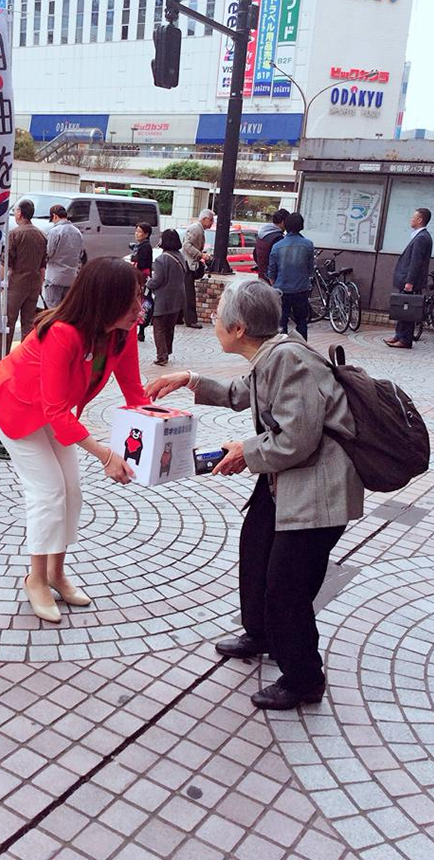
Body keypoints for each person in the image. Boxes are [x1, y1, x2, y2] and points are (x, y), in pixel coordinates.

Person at [145, 281, 364, 711]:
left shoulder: (289, 360)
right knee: (256, 547)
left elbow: (297, 439)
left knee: (287, 585)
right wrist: (188, 378)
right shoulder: (270, 355)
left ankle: (303, 678)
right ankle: (261, 633)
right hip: (287, 481)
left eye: (218, 314)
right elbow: (237, 395)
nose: (213, 319)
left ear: (239, 327)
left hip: (318, 491)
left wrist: (247, 451)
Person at [0, 258, 150, 623]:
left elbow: (135, 393)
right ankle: (36, 579)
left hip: (52, 409)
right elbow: (57, 411)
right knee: (49, 491)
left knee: (71, 489)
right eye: (132, 299)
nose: (140, 308)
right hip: (16, 405)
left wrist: (167, 432)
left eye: (140, 297)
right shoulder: (63, 332)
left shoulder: (122, 333)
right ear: (106, 300)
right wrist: (105, 455)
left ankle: (57, 573)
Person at [0, 199, 48, 367]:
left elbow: (6, 262)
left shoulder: (15, 234)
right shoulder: (41, 235)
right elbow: (43, 265)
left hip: (17, 282)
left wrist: (0, 284)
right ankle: (27, 356)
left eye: (16, 211)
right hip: (34, 283)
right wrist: (40, 284)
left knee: (7, 321)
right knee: (28, 322)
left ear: (19, 213)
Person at [385, 208, 433, 349]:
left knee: (407, 310)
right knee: (402, 308)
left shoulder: (422, 238)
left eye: (413, 217)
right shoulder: (419, 236)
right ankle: (398, 336)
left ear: (420, 220)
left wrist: (409, 282)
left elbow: (416, 262)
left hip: (410, 281)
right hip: (407, 280)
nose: (411, 219)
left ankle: (405, 339)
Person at [268, 212, 314, 341]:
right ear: (301, 226)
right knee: (301, 322)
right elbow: (310, 269)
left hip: (282, 290)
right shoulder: (308, 245)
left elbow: (271, 270)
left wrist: (274, 283)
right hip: (301, 289)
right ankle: (302, 346)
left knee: (281, 323)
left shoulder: (277, 246)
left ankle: (282, 347)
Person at [147, 228, 186, 366]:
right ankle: (167, 351)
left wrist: (148, 282)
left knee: (159, 326)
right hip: (178, 297)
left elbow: (157, 280)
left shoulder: (161, 259)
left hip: (163, 298)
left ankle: (161, 355)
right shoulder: (181, 256)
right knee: (170, 326)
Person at [44, 204, 84, 308]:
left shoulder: (55, 231)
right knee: (66, 309)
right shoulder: (78, 232)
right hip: (71, 277)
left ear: (55, 216)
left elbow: (48, 253)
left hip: (54, 277)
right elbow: (80, 254)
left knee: (53, 309)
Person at [181, 209, 214, 328]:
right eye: (211, 220)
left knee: (185, 292)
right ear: (204, 219)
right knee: (189, 294)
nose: (212, 223)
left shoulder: (198, 229)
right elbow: (187, 245)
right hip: (188, 264)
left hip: (189, 263)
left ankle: (180, 317)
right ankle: (190, 320)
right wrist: (200, 255)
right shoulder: (196, 229)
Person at [131, 222, 154, 342]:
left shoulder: (145, 247)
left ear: (146, 234)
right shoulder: (139, 245)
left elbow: (142, 263)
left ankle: (141, 329)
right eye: (136, 231)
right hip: (139, 277)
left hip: (142, 278)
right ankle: (139, 329)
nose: (137, 234)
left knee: (142, 302)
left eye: (139, 231)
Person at [254, 209, 289, 282]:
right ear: (283, 222)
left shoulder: (262, 234)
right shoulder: (278, 238)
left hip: (262, 276)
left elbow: (255, 254)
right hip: (272, 280)